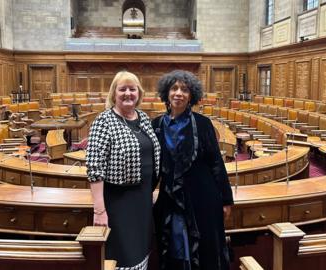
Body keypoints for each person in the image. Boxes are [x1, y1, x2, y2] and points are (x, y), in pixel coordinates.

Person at [152, 70, 233, 270]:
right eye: (174, 88)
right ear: (167, 93)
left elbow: (216, 162)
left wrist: (226, 199)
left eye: (184, 90)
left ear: (191, 96)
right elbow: (152, 166)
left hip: (202, 195)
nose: (178, 93)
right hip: (170, 197)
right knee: (173, 243)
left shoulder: (203, 123)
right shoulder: (156, 125)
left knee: (205, 247)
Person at [86, 71, 161, 269]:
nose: (128, 93)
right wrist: (99, 210)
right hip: (118, 202)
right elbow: (95, 167)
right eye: (122, 89)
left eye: (132, 89)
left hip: (143, 199)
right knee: (124, 255)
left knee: (141, 248)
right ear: (113, 94)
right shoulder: (103, 121)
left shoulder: (143, 118)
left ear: (139, 93)